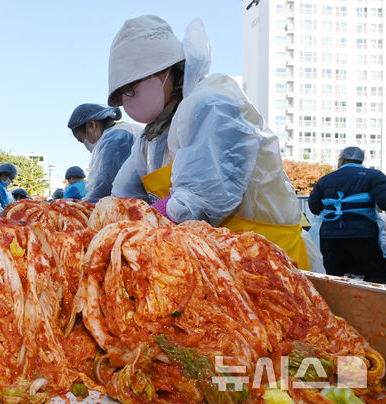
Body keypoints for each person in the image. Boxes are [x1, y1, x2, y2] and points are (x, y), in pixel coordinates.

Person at [107, 15, 318, 271]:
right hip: (219, 264)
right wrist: (94, 215)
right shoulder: (149, 139)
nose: (128, 100)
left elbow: (198, 202)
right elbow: (121, 197)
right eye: (123, 95)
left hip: (271, 261)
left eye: (131, 88)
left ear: (165, 71)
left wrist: (137, 223)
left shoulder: (210, 104)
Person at [308, 147, 386, 283]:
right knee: (375, 276)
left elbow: (314, 208)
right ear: (361, 160)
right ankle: (370, 303)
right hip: (363, 235)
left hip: (331, 236)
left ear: (341, 160)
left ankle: (335, 303)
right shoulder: (374, 176)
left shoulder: (325, 180)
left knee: (333, 278)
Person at [67, 104, 140, 202]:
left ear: (91, 125)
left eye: (83, 140)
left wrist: (83, 205)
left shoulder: (117, 137)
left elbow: (104, 188)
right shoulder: (122, 130)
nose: (86, 145)